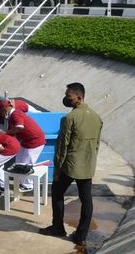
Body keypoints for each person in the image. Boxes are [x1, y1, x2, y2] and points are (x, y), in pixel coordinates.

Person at [39, 82, 103, 247]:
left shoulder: (69, 118)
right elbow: (97, 144)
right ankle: (81, 236)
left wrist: (57, 169)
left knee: (57, 192)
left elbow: (62, 146)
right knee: (86, 200)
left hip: (71, 165)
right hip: (88, 165)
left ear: (79, 97)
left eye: (69, 96)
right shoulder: (96, 117)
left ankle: (58, 228)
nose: (66, 99)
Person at [0, 99, 45, 192]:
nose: (0, 115)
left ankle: (28, 185)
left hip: (35, 141)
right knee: (19, 160)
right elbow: (12, 134)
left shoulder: (15, 114)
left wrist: (6, 133)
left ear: (4, 110)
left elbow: (19, 127)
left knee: (26, 163)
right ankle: (20, 182)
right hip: (26, 141)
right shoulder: (11, 116)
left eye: (0, 112)